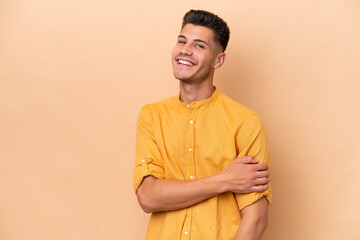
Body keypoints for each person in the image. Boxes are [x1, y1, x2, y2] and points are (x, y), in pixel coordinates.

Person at [133, 9, 272, 240]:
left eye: (199, 45)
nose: (185, 50)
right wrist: (224, 180)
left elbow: (256, 220)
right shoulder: (151, 116)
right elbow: (148, 198)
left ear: (218, 60)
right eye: (182, 41)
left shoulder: (246, 122)